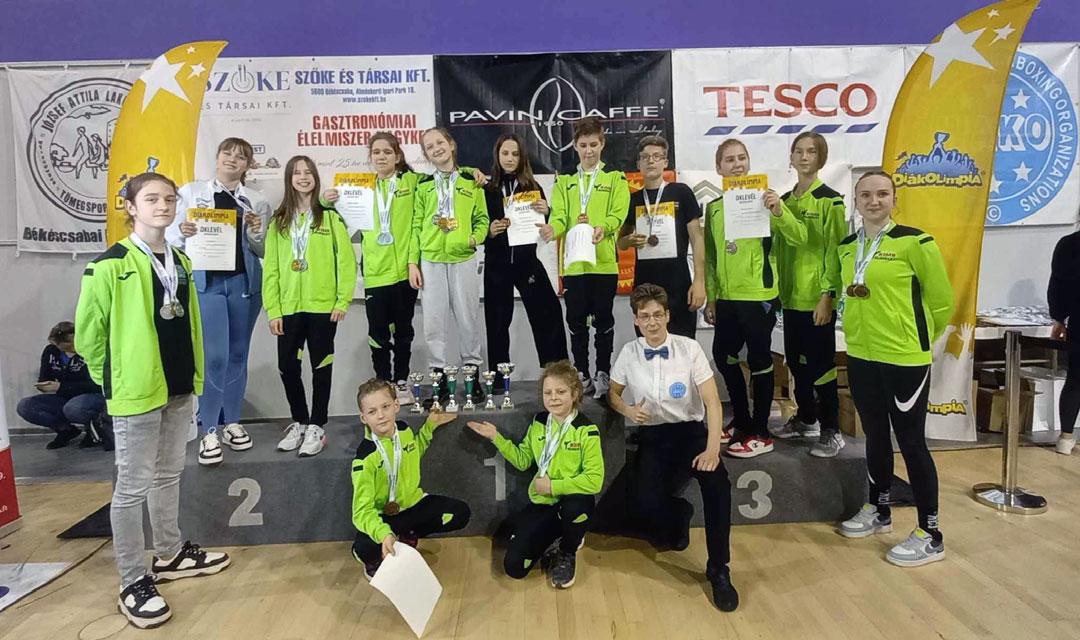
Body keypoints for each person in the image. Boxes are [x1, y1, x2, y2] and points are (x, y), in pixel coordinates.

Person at [76, 172, 230, 629]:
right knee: (131, 487)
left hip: (178, 385)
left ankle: (169, 553)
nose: (163, 206)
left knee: (168, 474)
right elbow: (88, 336)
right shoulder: (109, 265)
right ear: (130, 206)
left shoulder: (180, 259)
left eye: (169, 198)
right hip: (136, 392)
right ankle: (132, 580)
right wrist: (118, 378)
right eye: (151, 199)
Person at [829, 171, 953, 567]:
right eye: (865, 194)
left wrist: (914, 338)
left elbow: (941, 301)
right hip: (862, 354)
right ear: (856, 200)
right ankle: (879, 508)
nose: (874, 201)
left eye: (882, 194)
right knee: (875, 436)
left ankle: (931, 533)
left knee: (911, 442)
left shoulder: (916, 242)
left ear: (894, 199)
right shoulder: (847, 247)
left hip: (904, 357)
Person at [607, 284, 738, 611]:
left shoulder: (689, 349)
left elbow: (713, 403)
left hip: (691, 433)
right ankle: (679, 514)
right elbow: (613, 394)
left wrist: (712, 450)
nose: (651, 322)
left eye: (657, 315)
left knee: (718, 486)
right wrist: (627, 410)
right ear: (636, 320)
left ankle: (719, 568)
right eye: (644, 316)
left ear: (667, 316)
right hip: (652, 436)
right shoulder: (629, 352)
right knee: (644, 501)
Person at [168, 137, 271, 467]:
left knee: (238, 354)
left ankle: (232, 422)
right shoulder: (191, 192)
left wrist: (255, 231)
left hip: (244, 285)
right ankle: (208, 429)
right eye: (228, 153)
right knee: (214, 358)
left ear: (247, 165)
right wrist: (182, 231)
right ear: (217, 157)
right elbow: (171, 240)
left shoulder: (256, 200)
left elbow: (263, 249)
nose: (232, 160)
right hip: (207, 285)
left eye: (241, 157)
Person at [703, 138, 806, 458]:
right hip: (728, 298)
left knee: (760, 361)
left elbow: (799, 237)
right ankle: (742, 420)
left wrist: (780, 211)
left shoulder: (767, 200)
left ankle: (761, 431)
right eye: (729, 160)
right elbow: (711, 257)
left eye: (741, 158)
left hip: (759, 295)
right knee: (724, 356)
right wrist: (712, 297)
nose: (737, 164)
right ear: (718, 167)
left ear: (748, 162)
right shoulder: (714, 208)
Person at [466, 360, 603, 588]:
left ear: (575, 394)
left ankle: (567, 550)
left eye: (561, 392)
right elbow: (522, 461)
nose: (553, 398)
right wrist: (495, 437)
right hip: (543, 503)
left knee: (575, 508)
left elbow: (594, 480)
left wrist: (553, 486)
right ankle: (559, 536)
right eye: (548, 392)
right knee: (515, 567)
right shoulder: (539, 423)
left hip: (572, 499)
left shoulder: (586, 430)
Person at [263, 155, 357, 458]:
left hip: (322, 307)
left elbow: (345, 261)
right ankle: (300, 422)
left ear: (316, 177)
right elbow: (271, 269)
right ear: (289, 179)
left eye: (308, 172)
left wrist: (342, 300)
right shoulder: (278, 222)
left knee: (321, 366)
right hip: (289, 307)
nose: (303, 177)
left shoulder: (330, 217)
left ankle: (317, 425)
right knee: (287, 367)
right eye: (297, 173)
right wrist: (273, 309)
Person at [540, 117, 630, 398]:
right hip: (574, 265)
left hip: (603, 263)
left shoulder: (615, 177)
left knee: (603, 320)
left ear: (602, 144)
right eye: (583, 145)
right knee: (576, 321)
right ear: (575, 146)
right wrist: (552, 229)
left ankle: (603, 372)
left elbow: (619, 212)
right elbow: (559, 215)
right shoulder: (565, 179)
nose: (589, 150)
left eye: (593, 144)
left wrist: (606, 226)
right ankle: (581, 373)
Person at [322, 132, 421, 391]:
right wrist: (325, 199)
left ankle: (401, 381)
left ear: (397, 156)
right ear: (370, 157)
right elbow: (328, 210)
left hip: (404, 273)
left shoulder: (411, 182)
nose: (381, 156)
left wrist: (472, 172)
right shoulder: (360, 187)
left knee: (403, 331)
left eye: (387, 152)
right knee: (377, 334)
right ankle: (383, 382)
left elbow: (445, 175)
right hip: (375, 273)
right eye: (376, 152)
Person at [773, 132, 849, 457]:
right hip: (790, 298)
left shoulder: (831, 201)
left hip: (816, 298)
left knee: (822, 366)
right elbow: (777, 249)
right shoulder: (784, 201)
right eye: (799, 151)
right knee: (796, 362)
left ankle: (832, 430)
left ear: (821, 158)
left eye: (811, 152)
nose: (804, 157)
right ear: (791, 158)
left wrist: (828, 294)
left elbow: (835, 251)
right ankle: (806, 419)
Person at [351, 378, 470, 579]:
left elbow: (413, 452)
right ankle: (374, 558)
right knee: (365, 548)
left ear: (396, 405)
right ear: (363, 418)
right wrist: (383, 533)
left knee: (460, 513)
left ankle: (409, 534)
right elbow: (361, 512)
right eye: (372, 411)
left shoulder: (404, 430)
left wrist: (428, 428)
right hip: (382, 516)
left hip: (412, 505)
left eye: (385, 407)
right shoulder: (364, 459)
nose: (380, 415)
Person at [409, 127, 489, 405]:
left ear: (451, 144)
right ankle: (440, 379)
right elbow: (415, 226)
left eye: (440, 142)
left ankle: (471, 375)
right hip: (431, 260)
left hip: (463, 258)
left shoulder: (471, 181)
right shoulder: (423, 185)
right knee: (433, 323)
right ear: (426, 155)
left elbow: (482, 218)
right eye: (430, 147)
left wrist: (473, 239)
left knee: (468, 319)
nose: (436, 149)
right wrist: (412, 262)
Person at [484, 133, 568, 379]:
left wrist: (547, 210)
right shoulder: (486, 189)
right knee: (497, 320)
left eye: (515, 154)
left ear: (522, 158)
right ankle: (498, 377)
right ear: (497, 156)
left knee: (548, 311)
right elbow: (477, 224)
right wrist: (489, 231)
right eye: (505, 153)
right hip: (497, 262)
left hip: (527, 260)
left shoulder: (533, 187)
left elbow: (546, 224)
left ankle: (557, 373)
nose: (510, 158)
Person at [617, 135, 706, 338]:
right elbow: (621, 242)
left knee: (683, 345)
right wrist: (628, 241)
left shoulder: (681, 192)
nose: (651, 161)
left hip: (679, 283)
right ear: (638, 164)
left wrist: (699, 281)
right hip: (645, 285)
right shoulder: (633, 199)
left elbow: (697, 239)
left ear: (665, 162)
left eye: (657, 156)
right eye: (645, 157)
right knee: (648, 344)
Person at [16, 320, 110, 450]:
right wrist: (44, 385)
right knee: (25, 406)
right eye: (60, 347)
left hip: (92, 396)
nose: (64, 350)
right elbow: (45, 376)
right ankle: (65, 430)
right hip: (65, 397)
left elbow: (97, 384)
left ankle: (96, 428)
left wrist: (61, 387)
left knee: (73, 408)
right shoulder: (51, 351)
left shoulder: (90, 351)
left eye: (67, 347)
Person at [1050, 224, 1080, 454]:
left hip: (1078, 320)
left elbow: (1057, 285)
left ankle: (1066, 437)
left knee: (1075, 378)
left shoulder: (1068, 244)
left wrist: (1059, 318)